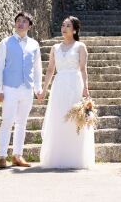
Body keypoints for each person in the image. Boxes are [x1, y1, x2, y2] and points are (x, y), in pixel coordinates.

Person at [39, 16, 96, 169]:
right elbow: (50, 69)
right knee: (58, 118)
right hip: (59, 85)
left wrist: (86, 88)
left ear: (75, 29)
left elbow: (84, 69)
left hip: (75, 84)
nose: (64, 28)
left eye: (68, 25)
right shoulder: (55, 48)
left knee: (75, 119)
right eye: (63, 25)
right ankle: (58, 158)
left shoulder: (80, 46)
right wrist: (44, 89)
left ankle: (76, 158)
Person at [0, 11, 43, 169]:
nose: (21, 23)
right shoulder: (5, 42)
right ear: (15, 24)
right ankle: (2, 156)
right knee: (7, 121)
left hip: (27, 89)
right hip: (9, 88)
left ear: (29, 25)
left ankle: (17, 155)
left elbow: (37, 68)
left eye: (24, 21)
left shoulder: (34, 44)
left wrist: (38, 88)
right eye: (18, 21)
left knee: (22, 123)